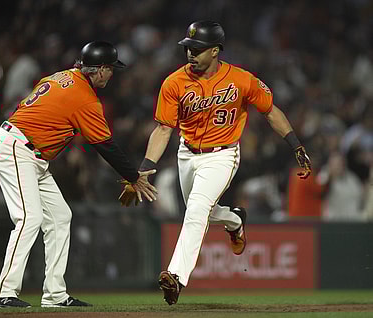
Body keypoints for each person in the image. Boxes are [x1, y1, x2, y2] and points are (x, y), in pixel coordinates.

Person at [118, 21, 312, 305]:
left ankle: (176, 277)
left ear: (216, 51)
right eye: (188, 48)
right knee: (203, 212)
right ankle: (234, 220)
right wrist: (143, 170)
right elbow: (162, 130)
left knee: (196, 209)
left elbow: (270, 111)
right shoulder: (174, 82)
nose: (190, 53)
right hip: (186, 154)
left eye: (197, 49)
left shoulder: (242, 79)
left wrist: (296, 145)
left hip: (223, 154)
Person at [0, 41, 157, 308]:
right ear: (100, 70)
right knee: (29, 218)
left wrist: (3, 159)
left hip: (21, 149)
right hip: (18, 149)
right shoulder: (84, 96)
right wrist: (134, 176)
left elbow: (28, 111)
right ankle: (3, 292)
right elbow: (105, 145)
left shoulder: (60, 77)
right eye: (111, 69)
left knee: (60, 217)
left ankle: (54, 294)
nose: (112, 74)